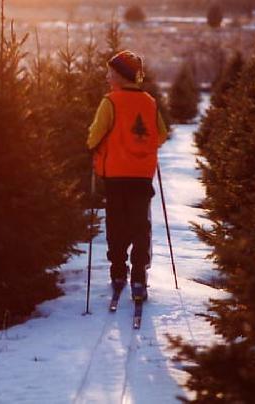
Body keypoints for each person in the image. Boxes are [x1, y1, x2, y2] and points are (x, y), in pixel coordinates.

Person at [87, 50, 168, 301]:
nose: (108, 76)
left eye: (111, 72)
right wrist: (141, 148)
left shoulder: (110, 102)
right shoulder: (150, 102)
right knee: (140, 225)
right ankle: (140, 276)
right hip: (142, 176)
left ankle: (118, 272)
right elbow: (161, 135)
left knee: (117, 225)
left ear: (121, 76)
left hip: (115, 175)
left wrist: (104, 146)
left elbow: (94, 136)